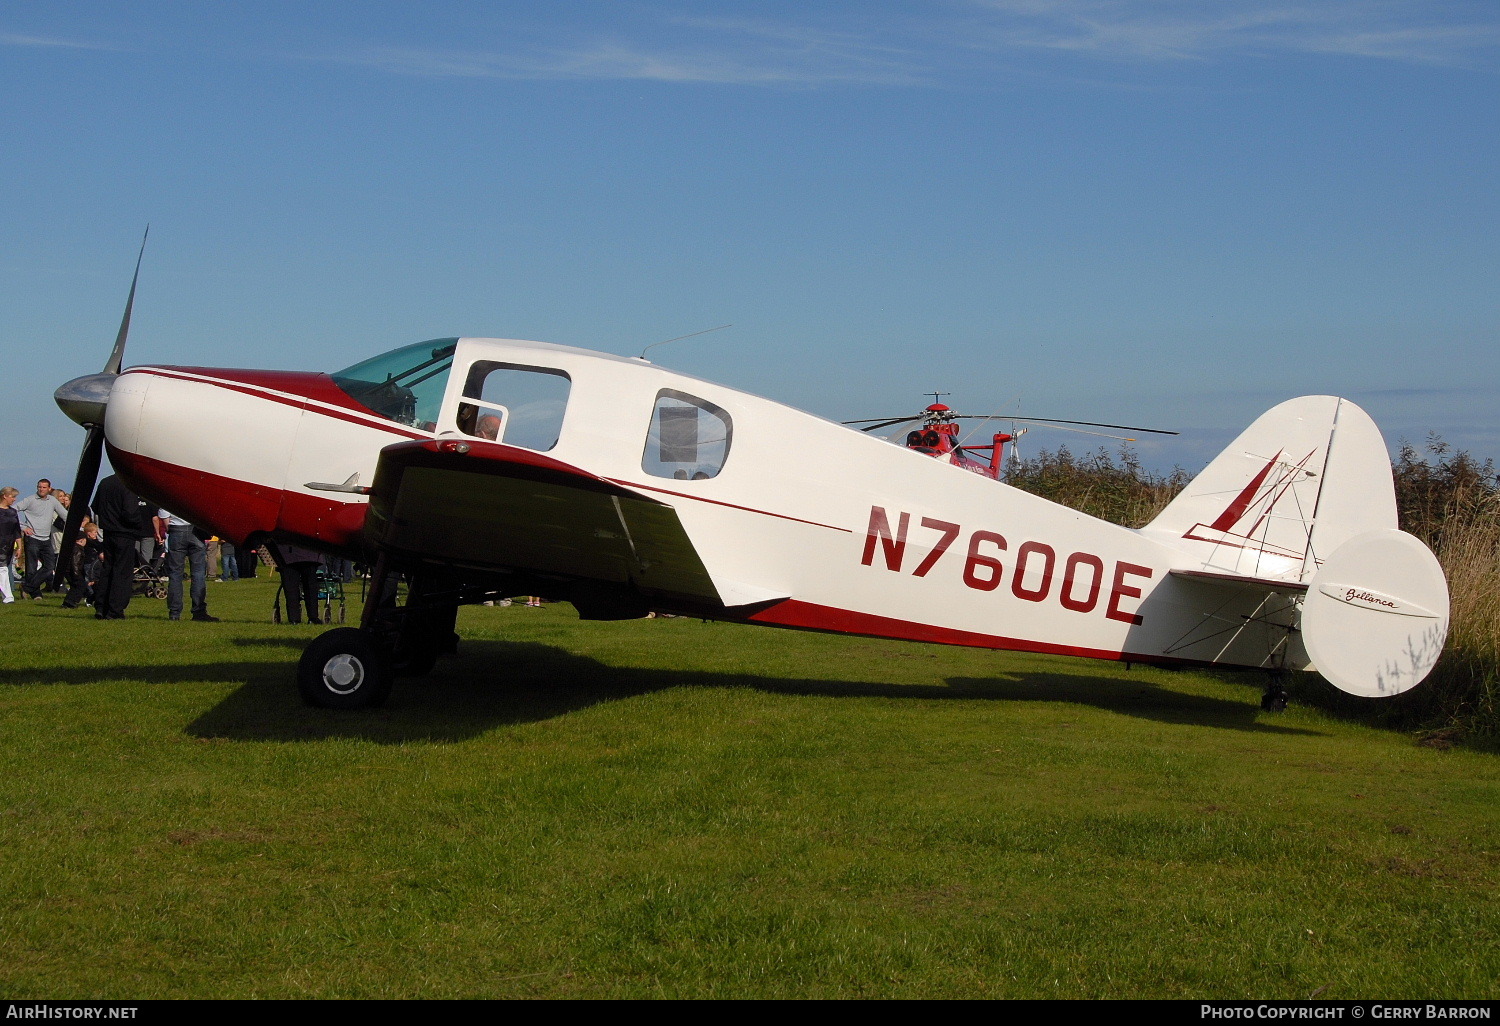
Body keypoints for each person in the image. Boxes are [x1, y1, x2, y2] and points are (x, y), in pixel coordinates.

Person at [90, 474, 155, 620]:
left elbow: (95, 506)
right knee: (122, 572)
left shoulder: (105, 482)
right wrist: (138, 525)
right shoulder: (128, 482)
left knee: (108, 569)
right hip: (125, 533)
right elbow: (130, 512)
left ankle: (101, 606)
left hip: (108, 532)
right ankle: (115, 609)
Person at [158, 508, 220, 622]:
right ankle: (199, 611)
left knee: (175, 574)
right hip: (195, 530)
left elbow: (165, 519)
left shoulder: (170, 494)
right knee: (198, 574)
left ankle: (174, 612)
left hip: (176, 529)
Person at [14, 479, 67, 599]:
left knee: (49, 567)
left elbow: (64, 514)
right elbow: (12, 510)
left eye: (44, 487)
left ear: (49, 488)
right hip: (32, 538)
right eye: (39, 487)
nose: (41, 489)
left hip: (46, 539)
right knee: (31, 569)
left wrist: (79, 527)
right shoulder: (30, 500)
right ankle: (35, 593)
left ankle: (26, 587)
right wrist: (23, 527)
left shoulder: (52, 500)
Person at [277, 543, 325, 625]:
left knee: (291, 589)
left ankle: (294, 618)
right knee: (310, 588)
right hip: (308, 552)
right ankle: (312, 617)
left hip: (288, 554)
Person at [0, 487, 22, 605]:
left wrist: (19, 546)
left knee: (3, 568)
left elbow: (17, 531)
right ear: (5, 496)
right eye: (12, 496)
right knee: (2, 569)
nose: (14, 499)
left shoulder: (13, 512)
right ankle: (8, 596)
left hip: (8, 545)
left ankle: (8, 596)